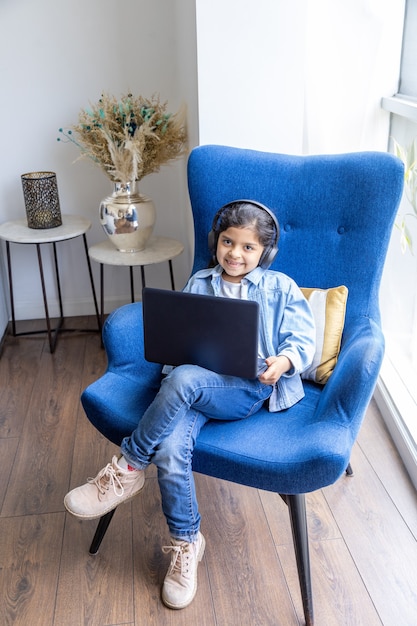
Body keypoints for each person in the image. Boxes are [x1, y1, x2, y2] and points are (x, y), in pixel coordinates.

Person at [64, 200, 316, 610]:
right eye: (227, 242)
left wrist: (284, 362)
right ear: (216, 242)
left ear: (264, 253)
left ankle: (127, 467)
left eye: (248, 248)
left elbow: (304, 340)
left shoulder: (280, 287)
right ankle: (187, 542)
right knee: (170, 440)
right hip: (194, 388)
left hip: (246, 389)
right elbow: (178, 337)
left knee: (183, 378)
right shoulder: (200, 281)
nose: (235, 253)